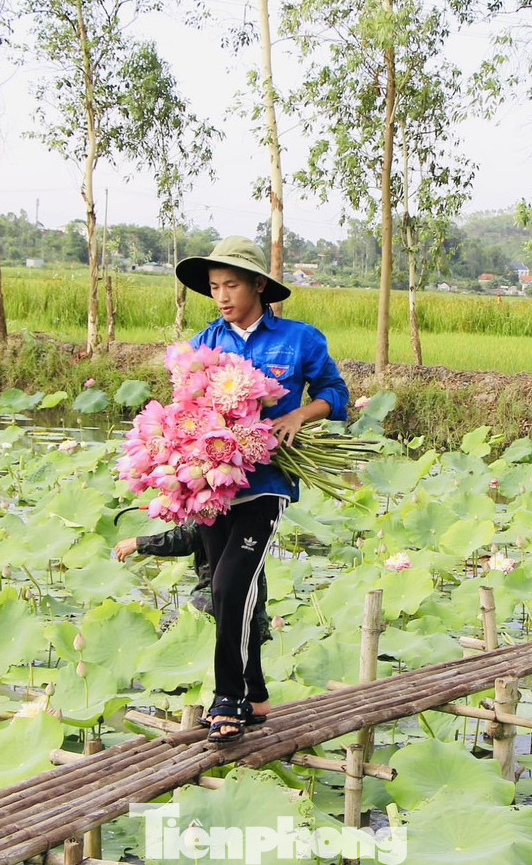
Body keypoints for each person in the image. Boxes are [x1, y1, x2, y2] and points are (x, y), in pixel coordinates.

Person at [174, 235, 348, 743]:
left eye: (231, 285)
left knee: (231, 586)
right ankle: (256, 692)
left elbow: (335, 393)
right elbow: (187, 409)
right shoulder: (204, 344)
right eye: (214, 287)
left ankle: (228, 697)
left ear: (258, 286)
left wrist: (299, 414)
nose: (221, 296)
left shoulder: (300, 339)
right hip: (214, 487)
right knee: (223, 587)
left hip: (267, 483)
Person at [112, 523, 272, 642]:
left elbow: (188, 537)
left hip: (220, 591)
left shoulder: (215, 496)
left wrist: (139, 543)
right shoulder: (249, 499)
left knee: (169, 633)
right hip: (250, 592)